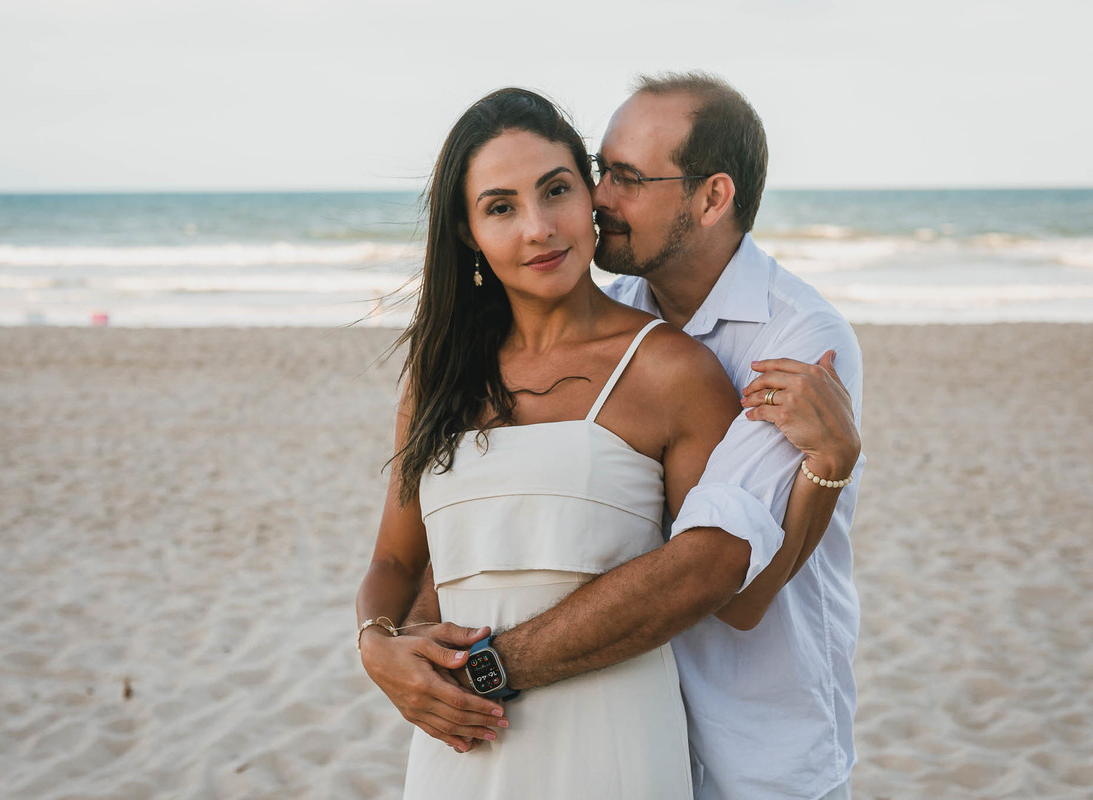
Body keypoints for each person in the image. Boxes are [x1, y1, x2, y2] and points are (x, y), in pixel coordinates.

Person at [362, 74, 864, 800]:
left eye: (622, 179)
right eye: (600, 172)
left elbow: (726, 579)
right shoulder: (521, 339)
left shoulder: (790, 343)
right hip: (488, 741)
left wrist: (483, 673)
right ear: (467, 230)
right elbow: (443, 553)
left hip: (753, 740)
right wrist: (382, 643)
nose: (595, 201)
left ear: (712, 198)